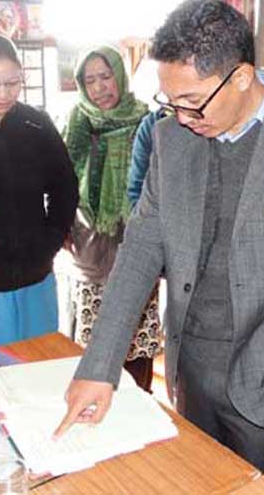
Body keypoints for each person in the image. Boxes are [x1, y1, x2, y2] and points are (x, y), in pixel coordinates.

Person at [55, 0, 264, 473]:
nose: (181, 116)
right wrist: (99, 368)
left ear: (242, 77)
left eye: (191, 101)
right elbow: (142, 249)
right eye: (170, 101)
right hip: (190, 369)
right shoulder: (171, 138)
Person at [0, 33, 78, 346]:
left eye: (13, 82)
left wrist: (51, 238)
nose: (3, 93)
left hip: (36, 268)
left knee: (39, 359)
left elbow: (65, 186)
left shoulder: (35, 123)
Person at [63, 45, 162, 391]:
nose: (99, 88)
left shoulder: (149, 122)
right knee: (91, 345)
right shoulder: (76, 123)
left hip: (136, 249)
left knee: (136, 342)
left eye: (105, 76)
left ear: (119, 75)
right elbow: (61, 183)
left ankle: (141, 403)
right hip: (89, 249)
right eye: (89, 80)